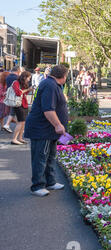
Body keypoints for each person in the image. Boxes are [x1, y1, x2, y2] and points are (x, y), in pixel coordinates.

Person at [24, 65, 69, 197]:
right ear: (63, 76)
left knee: (50, 156)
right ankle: (37, 186)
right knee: (40, 157)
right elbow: (48, 109)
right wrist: (58, 125)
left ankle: (50, 182)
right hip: (42, 129)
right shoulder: (49, 85)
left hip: (48, 130)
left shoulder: (52, 84)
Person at [10, 71, 33, 145]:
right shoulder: (16, 82)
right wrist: (28, 89)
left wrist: (29, 89)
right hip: (18, 104)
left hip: (24, 104)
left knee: (23, 122)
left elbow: (24, 93)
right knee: (20, 122)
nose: (29, 80)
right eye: (29, 78)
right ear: (24, 77)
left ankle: (20, 138)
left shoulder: (22, 83)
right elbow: (18, 93)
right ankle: (14, 139)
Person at [2, 66, 20, 133]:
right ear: (17, 71)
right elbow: (17, 88)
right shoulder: (16, 78)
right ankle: (8, 124)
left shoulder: (8, 77)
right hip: (14, 96)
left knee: (12, 111)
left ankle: (10, 124)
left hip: (8, 96)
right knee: (14, 111)